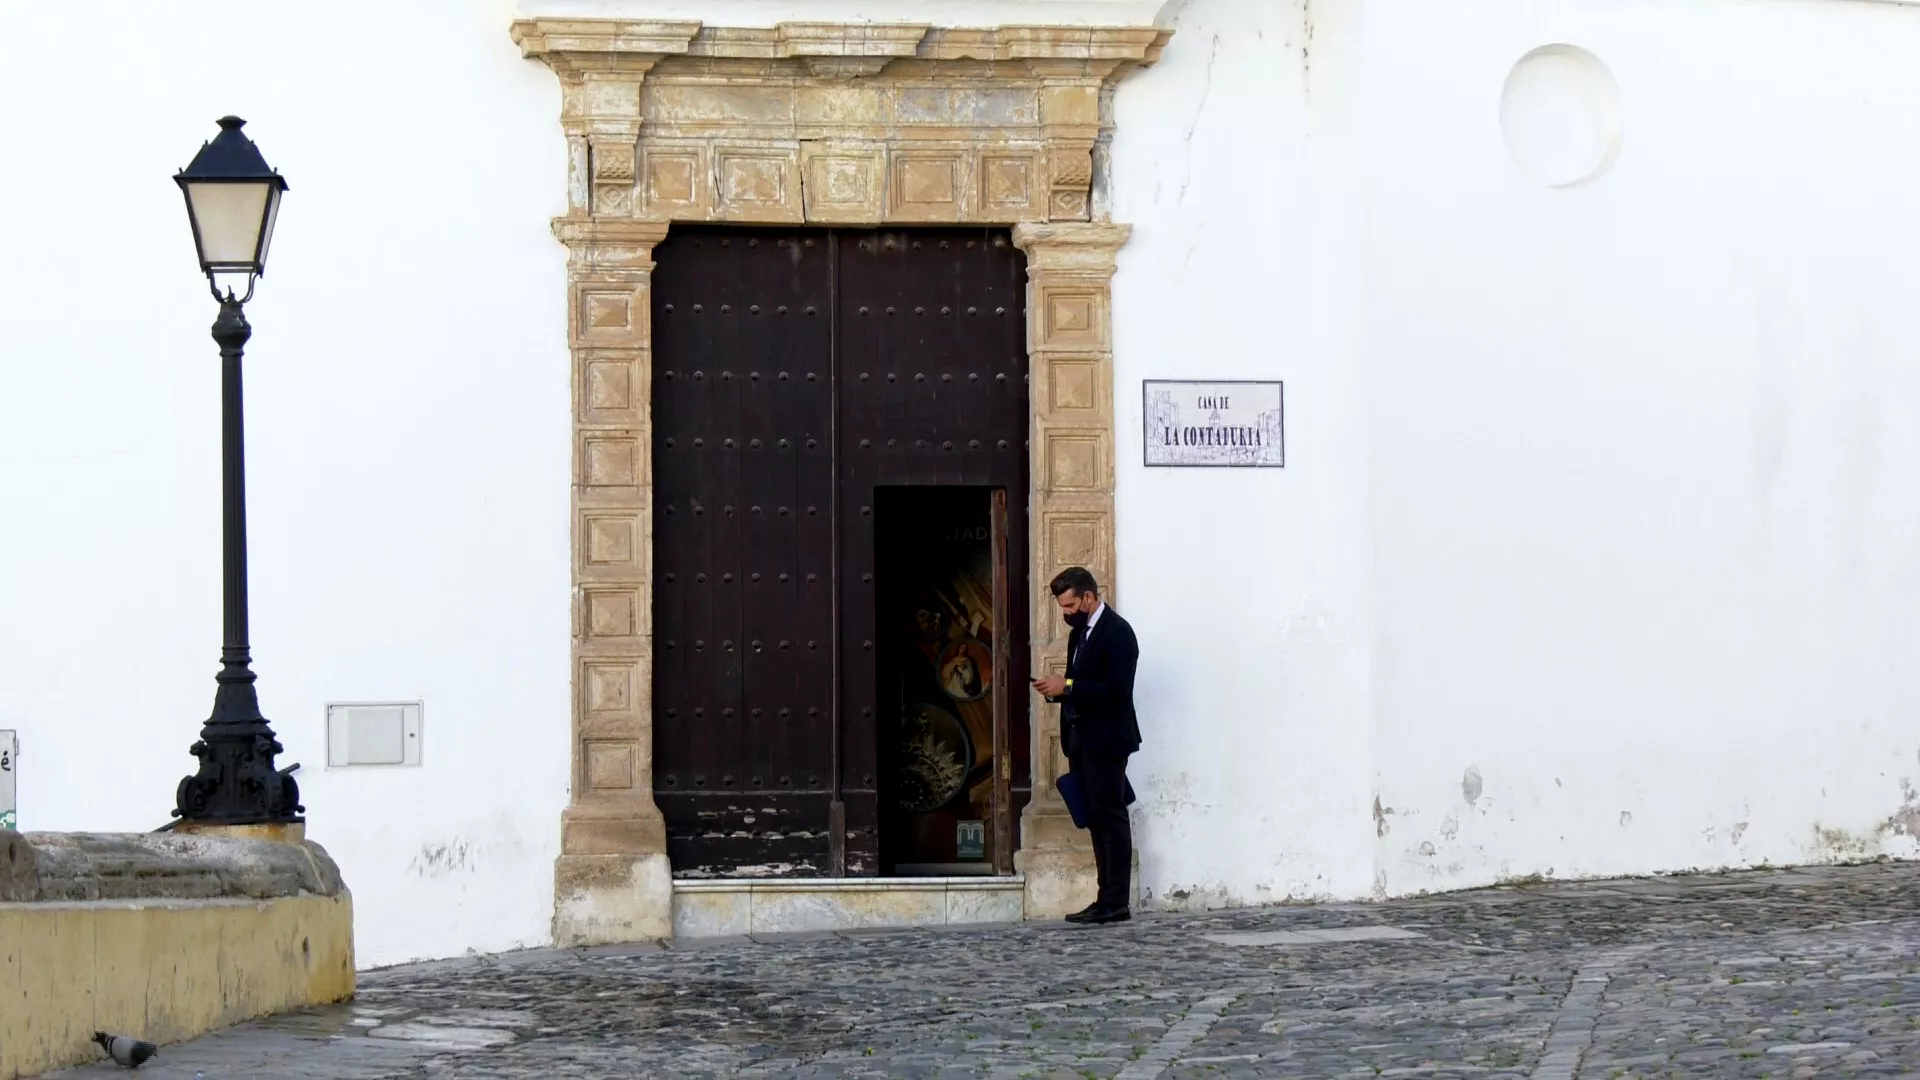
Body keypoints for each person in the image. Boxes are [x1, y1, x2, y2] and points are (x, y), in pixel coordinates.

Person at [1032, 567, 1140, 925]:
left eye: (1070, 605)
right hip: (1081, 740)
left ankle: (1117, 901)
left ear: (1089, 598)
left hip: (1108, 741)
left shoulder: (1119, 633)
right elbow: (1080, 681)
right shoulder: (1081, 634)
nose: (1066, 614)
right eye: (1062, 607)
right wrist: (1057, 690)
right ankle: (1103, 897)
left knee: (1111, 817)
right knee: (1095, 820)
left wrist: (1067, 687)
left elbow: (1116, 691)